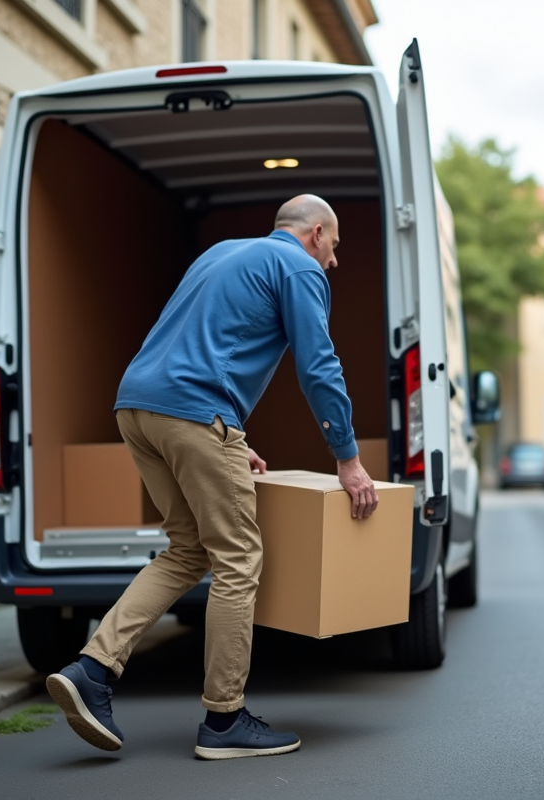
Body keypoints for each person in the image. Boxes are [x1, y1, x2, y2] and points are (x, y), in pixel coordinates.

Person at [46, 194, 379, 761]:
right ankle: (224, 719)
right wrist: (347, 457)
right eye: (335, 246)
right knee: (238, 558)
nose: (335, 261)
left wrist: (226, 438)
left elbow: (195, 341)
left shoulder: (221, 253)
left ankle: (92, 669)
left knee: (187, 550)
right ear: (317, 233)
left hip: (138, 407)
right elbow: (318, 365)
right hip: (194, 414)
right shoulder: (300, 267)